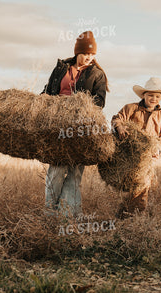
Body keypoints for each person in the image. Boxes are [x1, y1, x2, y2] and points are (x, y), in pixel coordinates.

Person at [41, 31, 108, 217]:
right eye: (86, 53)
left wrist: (77, 106)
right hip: (57, 127)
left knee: (74, 173)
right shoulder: (61, 68)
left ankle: (68, 217)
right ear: (77, 52)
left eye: (93, 54)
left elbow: (99, 102)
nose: (89, 57)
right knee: (56, 169)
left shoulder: (97, 74)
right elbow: (47, 91)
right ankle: (49, 214)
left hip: (81, 129)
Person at [112, 77, 161, 218]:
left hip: (147, 158)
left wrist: (157, 150)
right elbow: (117, 118)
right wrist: (119, 127)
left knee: (142, 187)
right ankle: (123, 216)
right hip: (128, 156)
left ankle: (137, 218)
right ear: (143, 95)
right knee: (127, 187)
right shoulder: (130, 108)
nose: (154, 98)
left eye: (157, 96)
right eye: (150, 95)